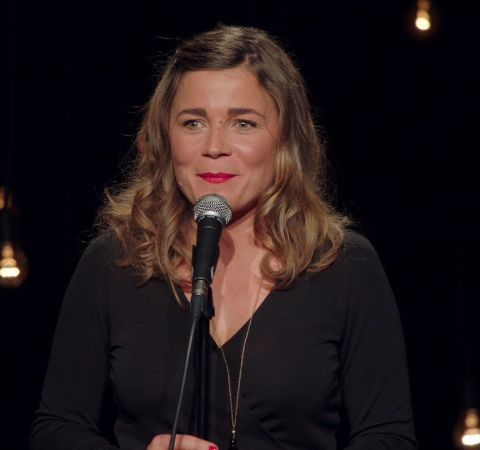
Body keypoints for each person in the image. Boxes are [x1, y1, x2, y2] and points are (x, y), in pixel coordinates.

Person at [30, 25, 417, 450]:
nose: (215, 146)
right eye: (193, 122)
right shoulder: (115, 261)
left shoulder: (342, 265)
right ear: (164, 137)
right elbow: (56, 427)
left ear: (285, 140)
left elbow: (388, 436)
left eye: (243, 123)